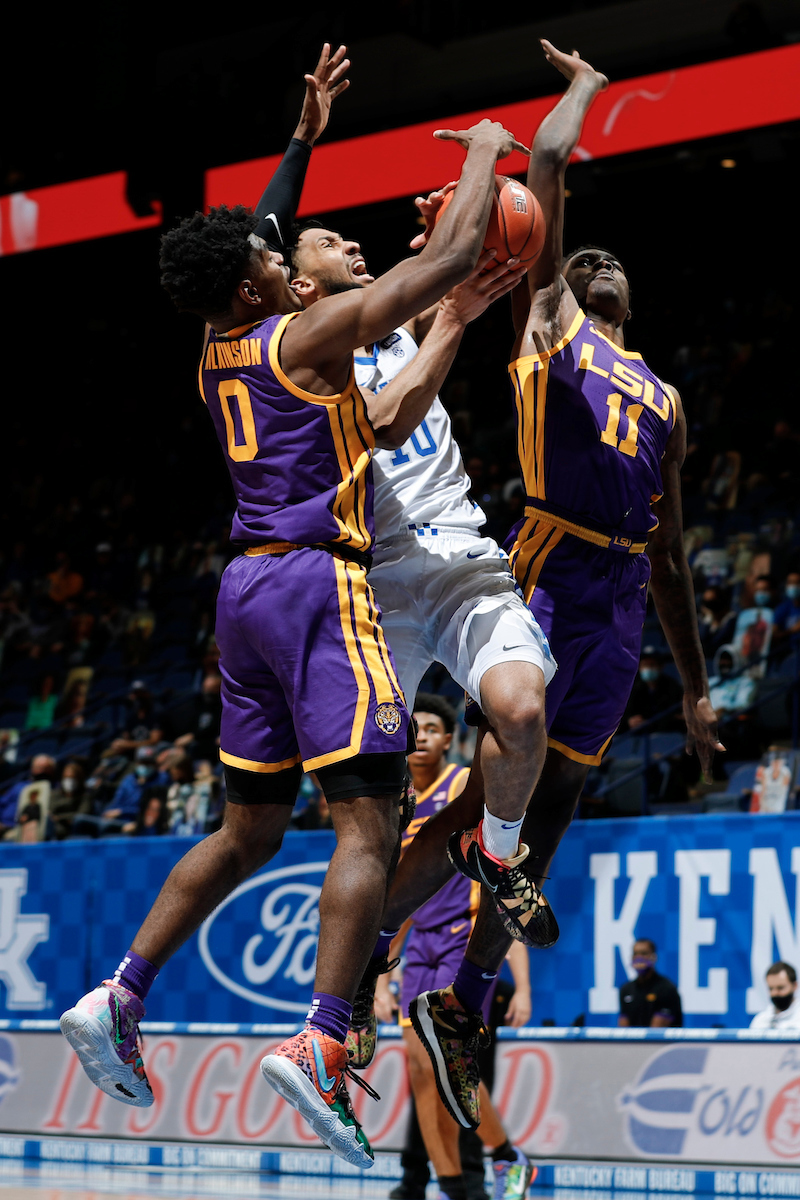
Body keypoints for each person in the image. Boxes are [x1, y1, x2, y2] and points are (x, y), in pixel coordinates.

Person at [59, 43, 529, 1172]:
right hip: (321, 584)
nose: (279, 250)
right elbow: (449, 255)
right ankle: (321, 1040)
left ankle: (120, 992)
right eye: (272, 256)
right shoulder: (305, 334)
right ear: (257, 287)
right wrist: (480, 154)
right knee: (367, 823)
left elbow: (253, 236)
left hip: (242, 596)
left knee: (246, 829)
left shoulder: (216, 342)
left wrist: (303, 140)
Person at [386, 39, 722, 1130]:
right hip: (551, 564)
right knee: (488, 803)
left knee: (555, 814)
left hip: (621, 605)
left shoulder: (664, 399)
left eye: (612, 262)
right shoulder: (547, 327)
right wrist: (581, 87)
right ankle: (361, 959)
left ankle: (462, 1004)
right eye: (584, 258)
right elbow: (548, 168)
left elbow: (671, 553)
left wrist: (693, 685)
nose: (599, 261)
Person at [378, 695, 535, 1200]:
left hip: (463, 943)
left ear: (449, 739)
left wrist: (523, 986)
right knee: (419, 1071)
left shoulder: (465, 787)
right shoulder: (398, 803)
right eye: (415, 728)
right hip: (420, 946)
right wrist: (379, 975)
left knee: (448, 1063)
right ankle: (451, 1187)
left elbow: (500, 896)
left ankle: (506, 1154)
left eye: (432, 728)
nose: (421, 735)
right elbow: (400, 898)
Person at [618, 938, 682, 1028]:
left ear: (654, 957)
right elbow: (623, 1029)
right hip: (633, 1038)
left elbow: (656, 1031)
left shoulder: (666, 988)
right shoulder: (626, 989)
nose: (639, 958)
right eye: (635, 954)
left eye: (644, 953)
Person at [749, 961, 800, 1031]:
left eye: (780, 988)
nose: (775, 993)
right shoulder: (760, 1021)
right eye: (771, 988)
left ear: (795, 986)